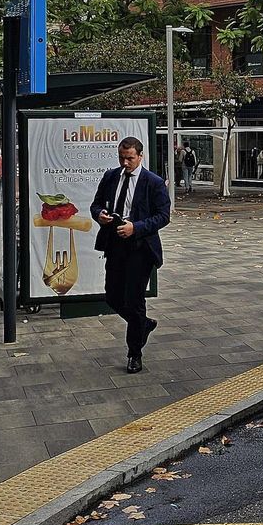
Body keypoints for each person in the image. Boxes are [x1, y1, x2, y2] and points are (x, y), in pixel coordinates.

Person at [89, 137, 171, 374]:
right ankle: (143, 324)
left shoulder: (153, 183)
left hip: (140, 248)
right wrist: (100, 215)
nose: (125, 163)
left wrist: (136, 227)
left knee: (134, 301)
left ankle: (134, 353)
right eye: (121, 158)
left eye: (130, 158)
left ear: (140, 156)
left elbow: (163, 216)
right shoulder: (111, 176)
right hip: (114, 244)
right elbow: (95, 205)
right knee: (113, 296)